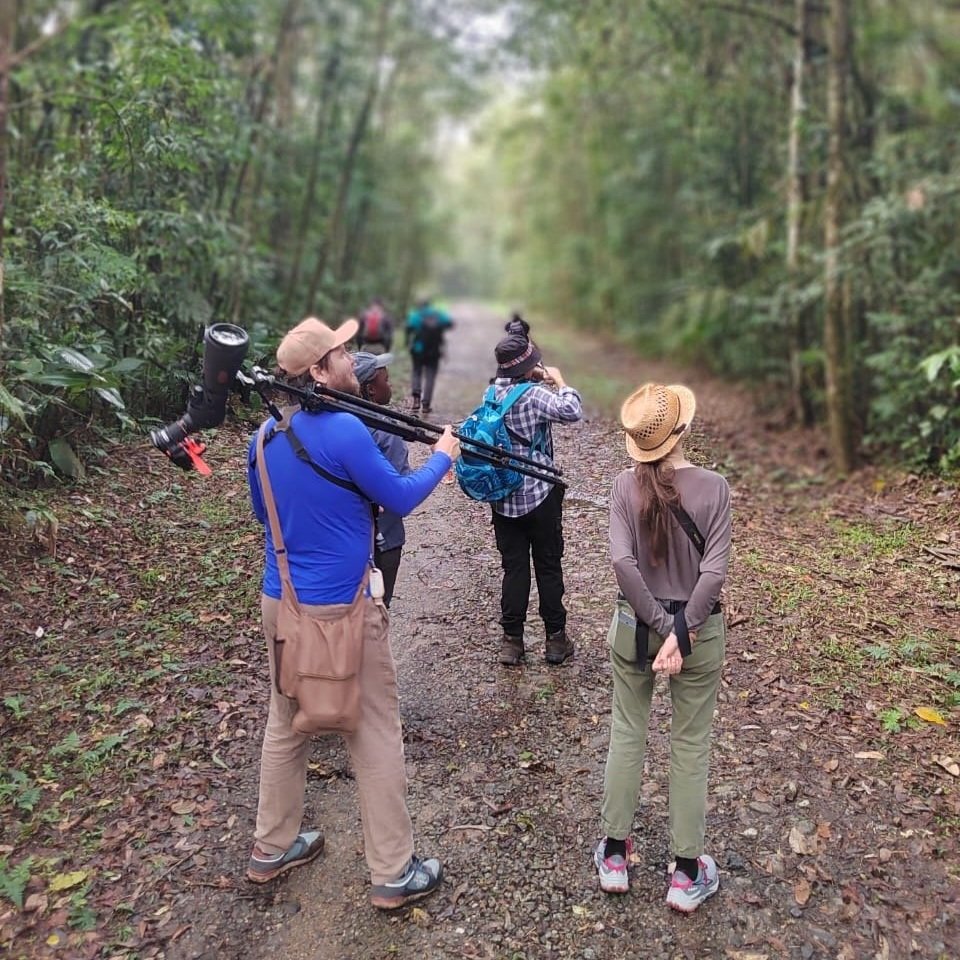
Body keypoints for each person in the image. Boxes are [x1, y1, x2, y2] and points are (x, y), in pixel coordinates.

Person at [245, 316, 460, 909]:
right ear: (318, 371)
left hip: (279, 603)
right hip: (339, 610)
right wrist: (443, 455)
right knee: (372, 729)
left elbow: (267, 519)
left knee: (286, 720)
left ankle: (271, 847)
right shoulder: (344, 431)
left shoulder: (261, 438)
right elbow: (401, 498)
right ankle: (393, 872)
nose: (351, 359)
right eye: (341, 353)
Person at [594, 383, 731, 914]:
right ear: (682, 431)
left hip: (634, 627)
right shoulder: (714, 488)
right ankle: (685, 873)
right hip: (698, 632)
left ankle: (613, 856)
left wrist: (656, 623)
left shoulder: (623, 487)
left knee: (627, 732)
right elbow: (714, 570)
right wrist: (680, 630)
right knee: (690, 745)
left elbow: (623, 564)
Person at [486, 318, 583, 667]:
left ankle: (512, 641)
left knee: (514, 569)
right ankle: (556, 640)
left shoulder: (492, 394)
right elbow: (572, 411)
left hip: (502, 496)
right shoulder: (534, 396)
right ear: (531, 366)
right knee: (547, 564)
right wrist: (559, 380)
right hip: (539, 495)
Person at [353, 350, 408, 606]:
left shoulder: (334, 422)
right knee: (377, 615)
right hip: (383, 540)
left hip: (345, 542)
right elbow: (401, 495)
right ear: (370, 390)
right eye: (385, 380)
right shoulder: (385, 431)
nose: (391, 385)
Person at [404, 298, 454, 415]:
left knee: (417, 372)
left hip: (418, 349)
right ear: (429, 305)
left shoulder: (416, 315)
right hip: (434, 350)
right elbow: (449, 323)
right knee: (430, 376)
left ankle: (416, 400)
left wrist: (407, 342)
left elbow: (408, 327)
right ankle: (426, 404)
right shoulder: (437, 314)